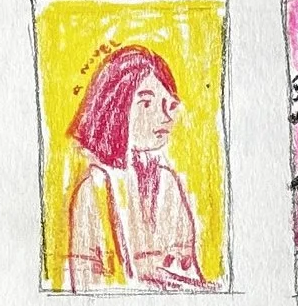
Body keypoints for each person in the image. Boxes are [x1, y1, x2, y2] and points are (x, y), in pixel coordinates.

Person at [63, 43, 204, 289]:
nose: (166, 116)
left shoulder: (168, 182)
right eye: (147, 103)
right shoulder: (93, 189)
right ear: (117, 107)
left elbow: (188, 268)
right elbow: (86, 282)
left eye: (168, 104)